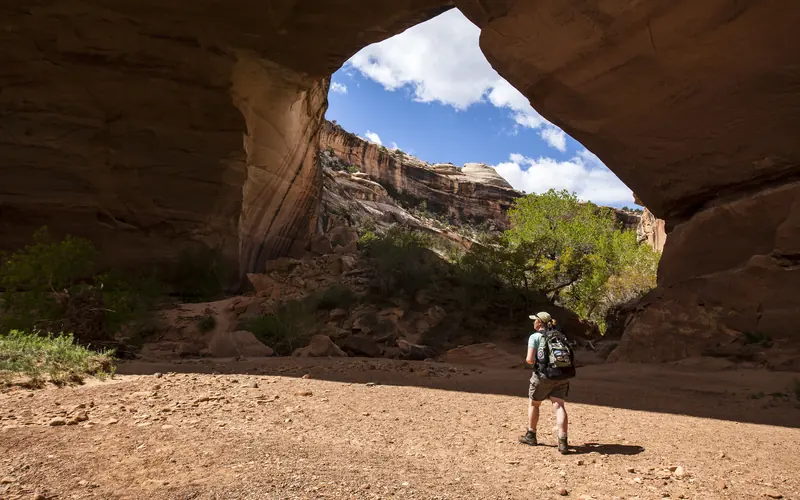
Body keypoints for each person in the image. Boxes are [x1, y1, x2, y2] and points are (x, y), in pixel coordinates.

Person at [519, 311, 570, 454]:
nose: (533, 322)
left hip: (543, 375)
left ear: (539, 323)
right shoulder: (559, 336)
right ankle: (563, 441)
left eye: (535, 320)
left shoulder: (535, 337)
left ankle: (531, 435)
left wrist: (540, 363)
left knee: (534, 403)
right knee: (559, 406)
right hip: (561, 374)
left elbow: (529, 359)